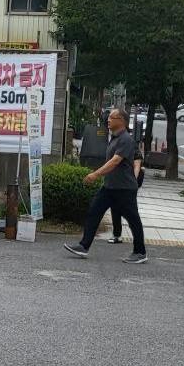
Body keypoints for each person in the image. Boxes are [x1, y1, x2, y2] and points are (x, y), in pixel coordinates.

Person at [65, 108, 148, 263]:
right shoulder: (115, 138)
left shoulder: (125, 139)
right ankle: (84, 246)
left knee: (133, 219)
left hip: (124, 189)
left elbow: (115, 161)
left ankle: (140, 252)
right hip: (109, 187)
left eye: (112, 117)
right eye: (108, 117)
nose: (108, 119)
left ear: (121, 121)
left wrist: (96, 174)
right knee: (93, 212)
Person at [107, 138, 145, 245]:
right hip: (118, 182)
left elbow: (137, 166)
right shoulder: (115, 145)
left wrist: (133, 182)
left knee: (131, 210)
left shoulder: (131, 146)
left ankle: (137, 239)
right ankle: (117, 235)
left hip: (130, 183)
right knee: (115, 207)